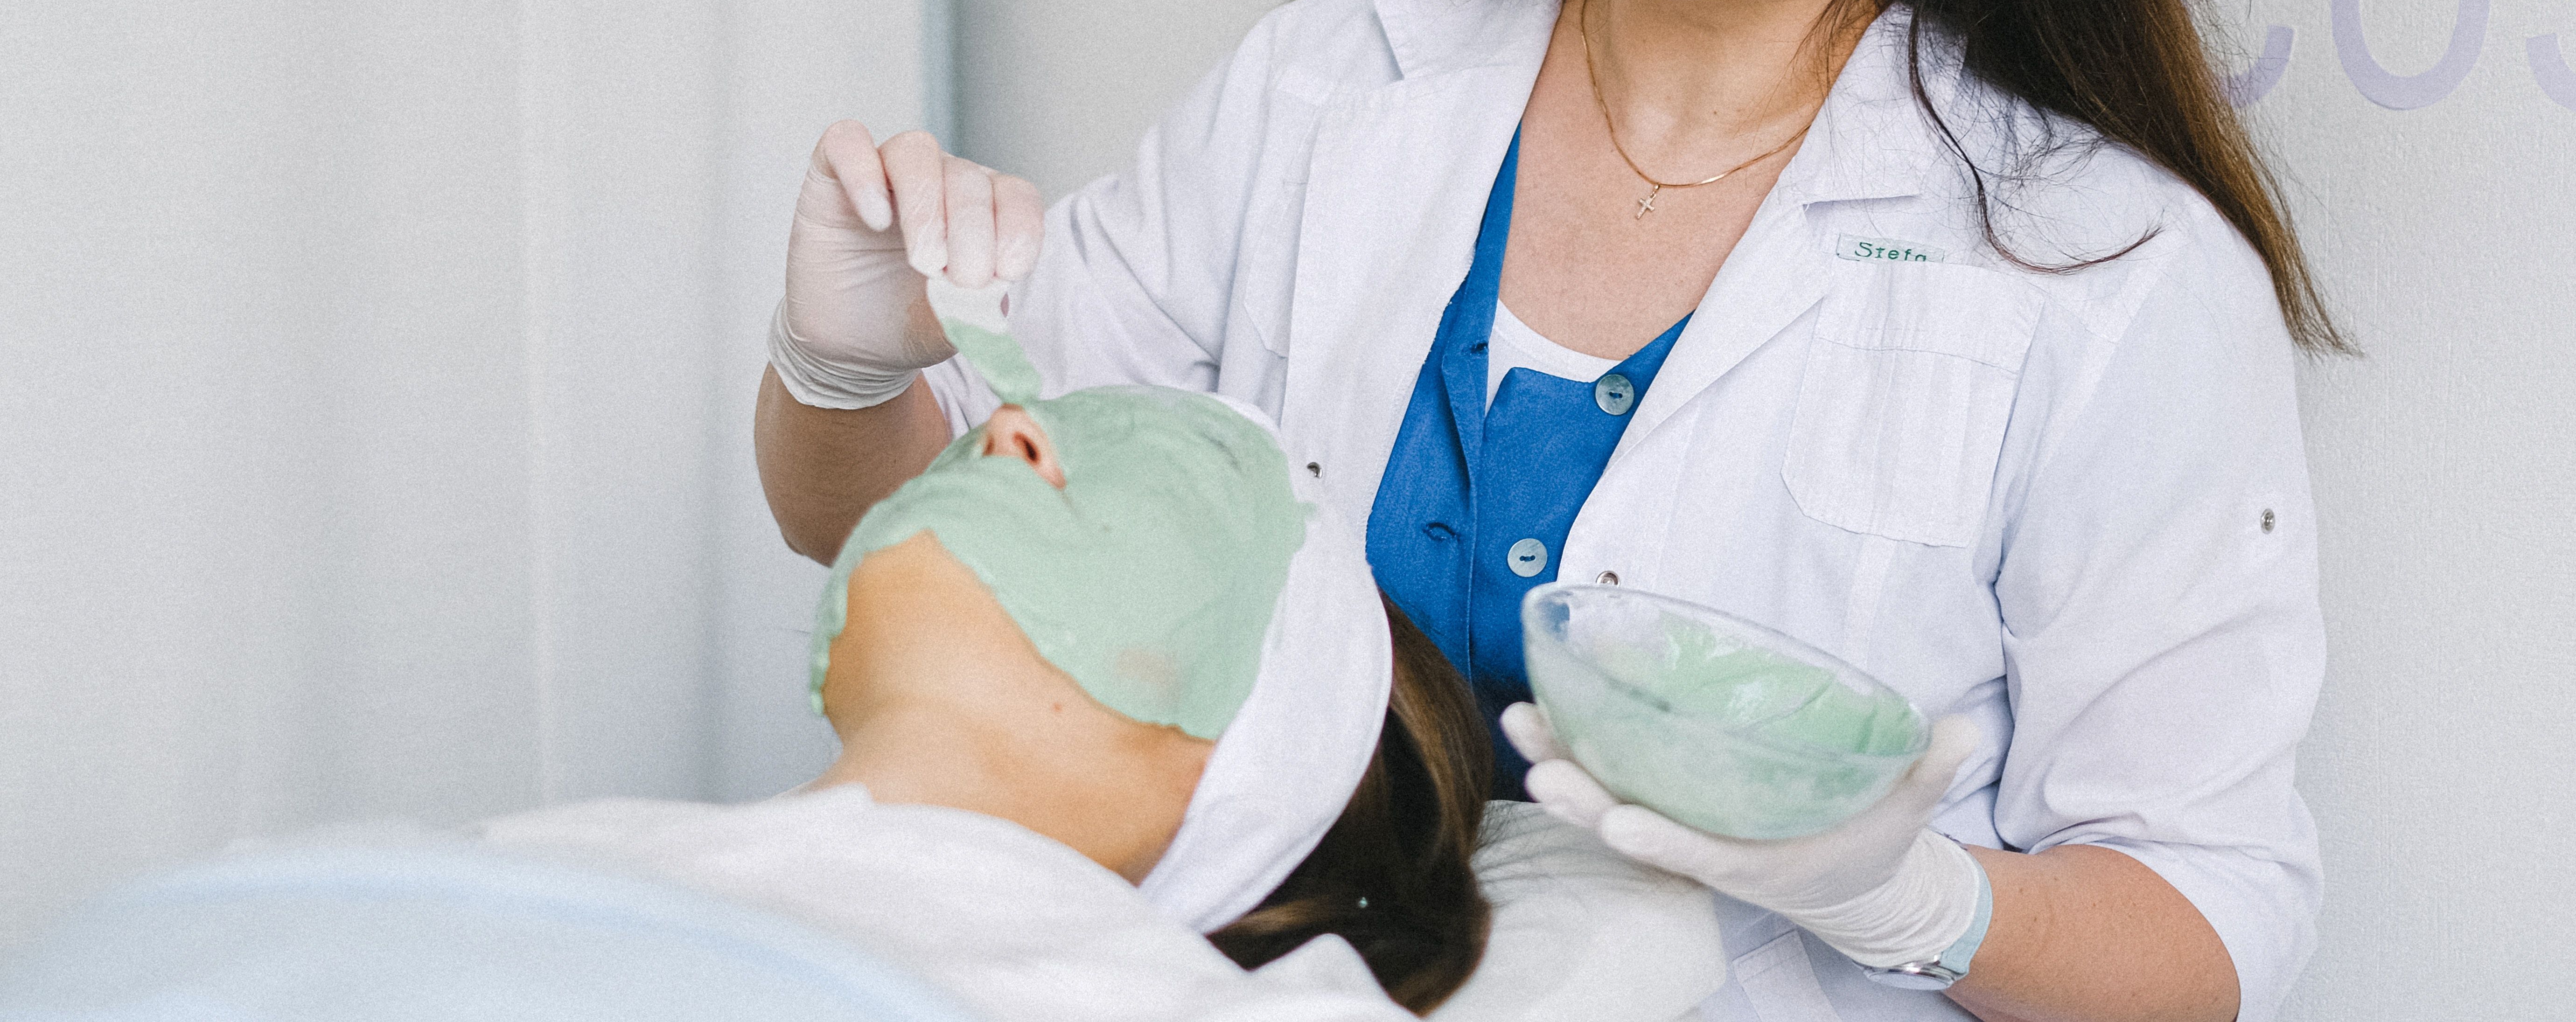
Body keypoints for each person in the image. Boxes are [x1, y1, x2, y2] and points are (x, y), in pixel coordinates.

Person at [756, 0, 2331, 1022]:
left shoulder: (2104, 273)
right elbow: (927, 548)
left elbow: (2206, 936)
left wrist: (1902, 896)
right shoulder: (1334, 88)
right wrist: (848, 368)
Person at [4, 369, 1495, 1022]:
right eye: (1032, 417)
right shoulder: (476, 875)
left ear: (1247, 747)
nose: (1019, 430)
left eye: (1151, 481)